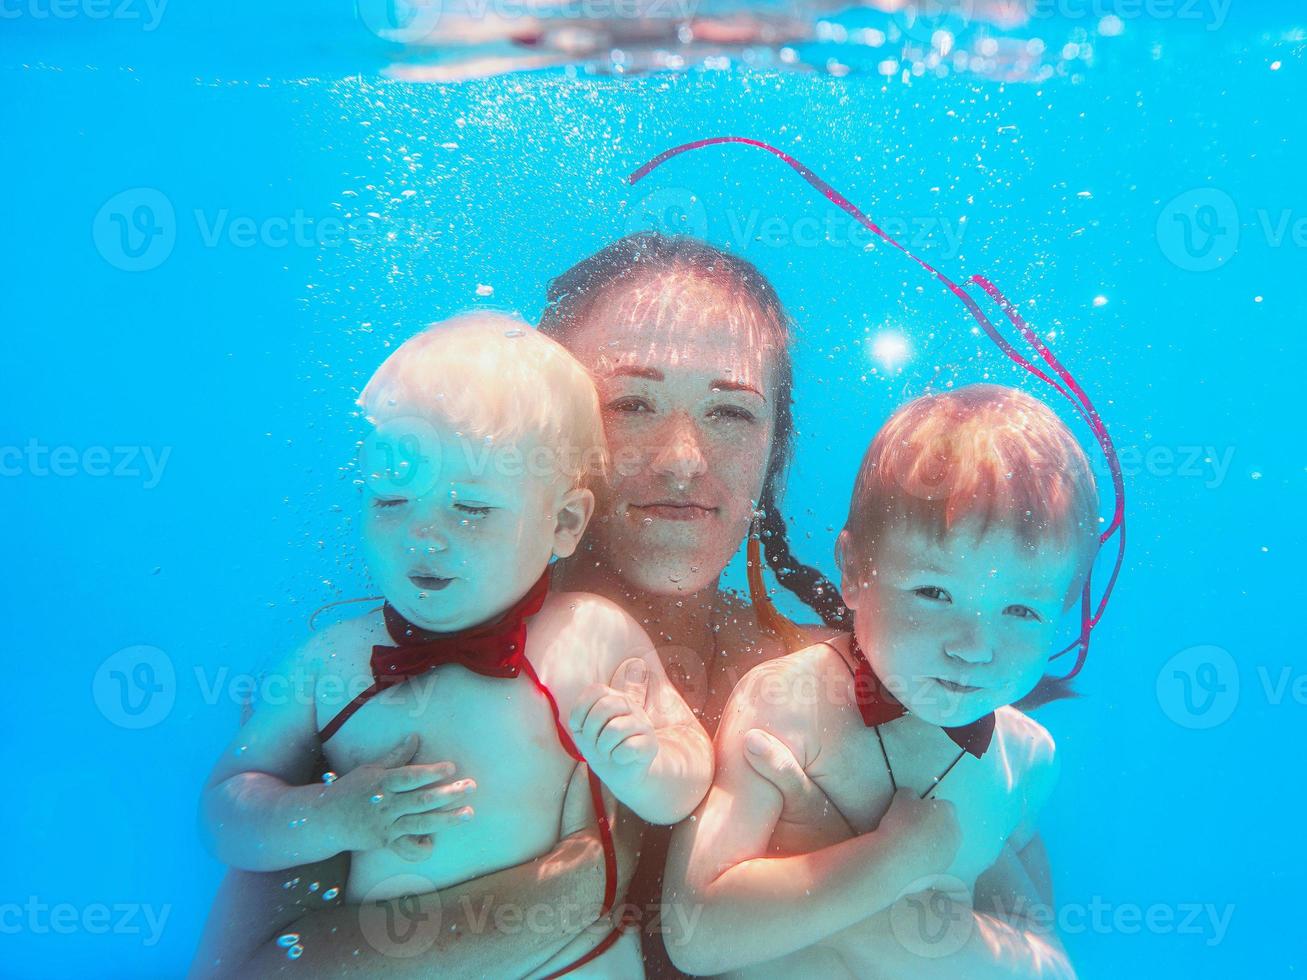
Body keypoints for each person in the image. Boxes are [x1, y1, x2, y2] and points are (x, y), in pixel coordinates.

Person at [195, 313, 712, 977]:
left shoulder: (591, 633)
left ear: (564, 522)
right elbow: (224, 813)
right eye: (390, 502)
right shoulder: (331, 662)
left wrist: (644, 766)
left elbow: (684, 783)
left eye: (469, 508)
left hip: (572, 963)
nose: (423, 536)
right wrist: (326, 815)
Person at [663, 384, 1090, 978]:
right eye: (934, 592)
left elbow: (1047, 967)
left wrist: (887, 899)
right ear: (855, 572)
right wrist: (891, 864)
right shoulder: (789, 706)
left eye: (1022, 611)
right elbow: (694, 933)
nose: (974, 647)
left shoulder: (1024, 759)